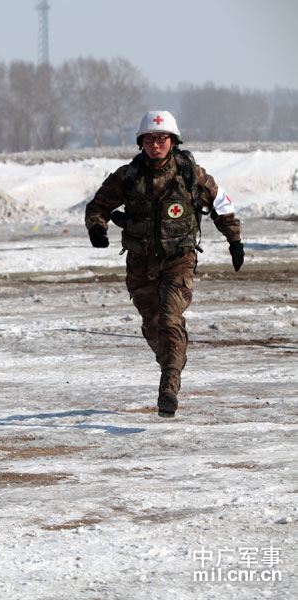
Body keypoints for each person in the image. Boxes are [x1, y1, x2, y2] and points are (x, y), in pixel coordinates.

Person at [84, 111, 244, 418]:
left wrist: (234, 241)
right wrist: (97, 228)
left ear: (173, 141)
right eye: (149, 139)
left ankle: (168, 389)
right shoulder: (127, 176)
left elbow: (221, 203)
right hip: (140, 266)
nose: (155, 145)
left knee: (171, 321)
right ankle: (174, 357)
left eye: (161, 139)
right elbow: (98, 206)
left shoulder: (190, 173)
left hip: (178, 262)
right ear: (141, 142)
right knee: (154, 328)